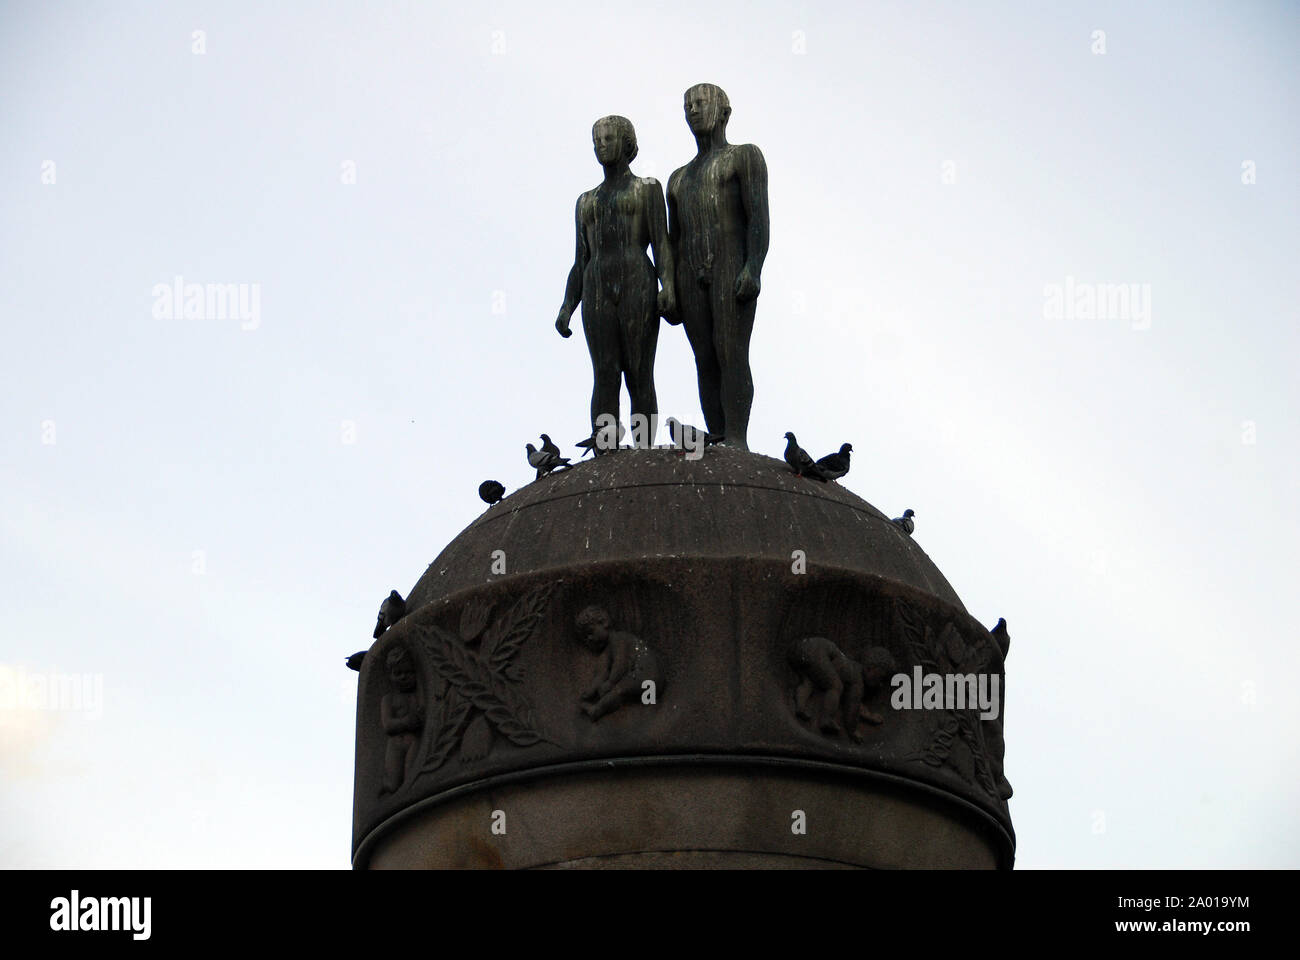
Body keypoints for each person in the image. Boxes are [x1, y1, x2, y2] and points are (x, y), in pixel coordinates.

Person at [556, 116, 675, 448]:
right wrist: (568, 305)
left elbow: (662, 244)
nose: (601, 145)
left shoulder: (648, 188)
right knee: (605, 373)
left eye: (608, 138)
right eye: (596, 140)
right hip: (596, 286)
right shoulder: (585, 202)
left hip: (638, 278)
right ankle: (605, 447)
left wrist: (670, 287)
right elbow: (580, 259)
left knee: (639, 372)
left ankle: (644, 447)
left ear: (627, 143)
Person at [666, 83, 769, 450]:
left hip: (730, 262)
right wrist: (671, 288)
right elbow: (673, 239)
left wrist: (752, 267)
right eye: (687, 105)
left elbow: (758, 217)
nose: (694, 110)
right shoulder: (677, 178)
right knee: (704, 357)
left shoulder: (744, 156)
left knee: (730, 350)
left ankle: (737, 437)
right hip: (690, 269)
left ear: (724, 111)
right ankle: (719, 433)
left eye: (702, 102)